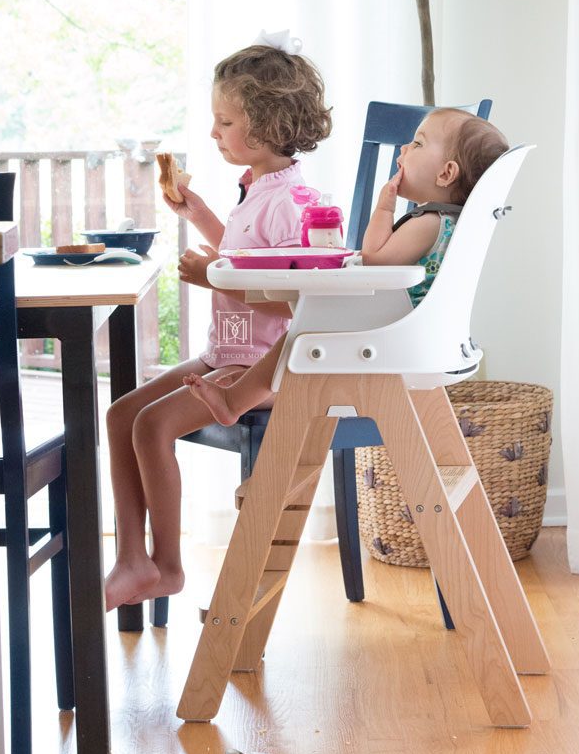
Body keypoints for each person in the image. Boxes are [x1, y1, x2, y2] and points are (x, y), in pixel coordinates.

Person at [104, 41, 332, 612]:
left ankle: (169, 568)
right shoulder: (258, 189)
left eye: (225, 121)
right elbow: (243, 253)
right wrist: (199, 214)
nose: (214, 133)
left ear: (267, 126)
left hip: (257, 366)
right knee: (120, 415)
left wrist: (214, 280)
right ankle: (132, 558)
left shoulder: (297, 204)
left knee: (152, 428)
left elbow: (299, 304)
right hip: (224, 353)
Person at [184, 107, 508, 427]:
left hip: (394, 334)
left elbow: (375, 259)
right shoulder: (448, 221)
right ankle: (236, 398)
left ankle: (234, 400)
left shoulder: (428, 222)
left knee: (306, 331)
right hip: (414, 333)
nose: (405, 149)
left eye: (419, 144)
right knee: (308, 330)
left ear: (446, 173)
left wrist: (384, 205)